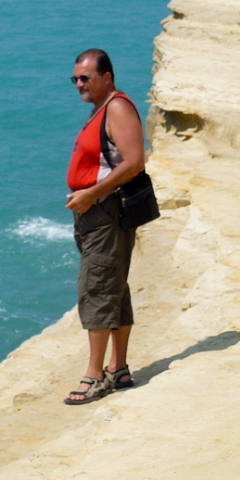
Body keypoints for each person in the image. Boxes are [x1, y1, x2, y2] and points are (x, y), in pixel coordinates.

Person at [63, 49, 145, 405]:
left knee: (95, 288)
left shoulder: (117, 108)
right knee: (113, 286)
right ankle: (119, 367)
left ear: (107, 77)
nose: (79, 84)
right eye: (76, 79)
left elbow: (134, 162)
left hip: (106, 212)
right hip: (96, 212)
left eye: (86, 78)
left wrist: (90, 195)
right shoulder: (102, 109)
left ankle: (95, 376)